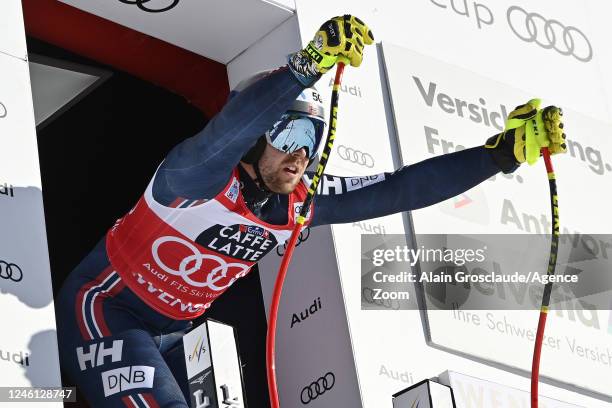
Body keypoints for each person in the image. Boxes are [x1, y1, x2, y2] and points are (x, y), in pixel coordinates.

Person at [55, 15, 566, 407]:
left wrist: (500, 155)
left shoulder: (297, 203)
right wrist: (309, 64)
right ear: (254, 140)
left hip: (176, 333)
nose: (302, 154)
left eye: (313, 139)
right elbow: (230, 126)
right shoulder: (195, 175)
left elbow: (399, 190)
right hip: (107, 309)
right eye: (290, 134)